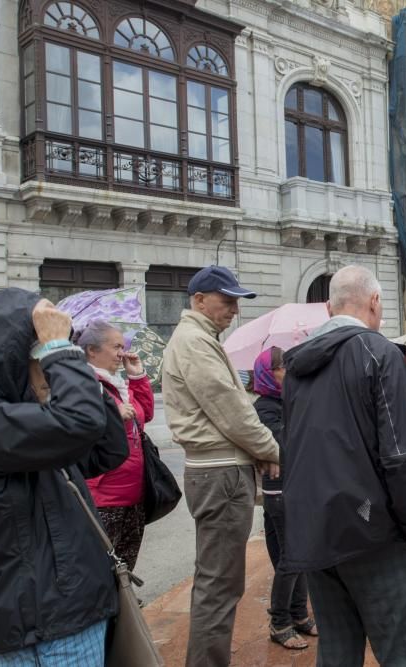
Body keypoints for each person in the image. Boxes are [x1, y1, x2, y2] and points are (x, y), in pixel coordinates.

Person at [0, 290, 128, 664]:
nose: (49, 368)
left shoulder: (30, 413)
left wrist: (82, 370)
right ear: (15, 357)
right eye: (43, 354)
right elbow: (80, 424)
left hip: (68, 607)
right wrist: (61, 355)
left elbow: (107, 451)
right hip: (46, 619)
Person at [280, 265, 406, 666]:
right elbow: (402, 456)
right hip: (377, 535)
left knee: (337, 651)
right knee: (405, 654)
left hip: (319, 532)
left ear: (330, 309)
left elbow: (292, 448)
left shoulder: (296, 368)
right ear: (375, 301)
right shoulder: (380, 352)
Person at [161, 265, 281, 667]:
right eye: (226, 300)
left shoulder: (199, 338)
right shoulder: (195, 341)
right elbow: (231, 411)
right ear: (199, 300)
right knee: (219, 584)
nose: (233, 309)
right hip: (219, 473)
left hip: (219, 470)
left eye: (235, 301)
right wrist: (271, 449)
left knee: (218, 582)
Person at [249, 347, 316, 650]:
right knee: (292, 557)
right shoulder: (266, 407)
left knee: (292, 557)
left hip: (291, 487)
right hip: (280, 491)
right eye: (281, 368)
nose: (287, 372)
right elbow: (282, 445)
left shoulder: (285, 401)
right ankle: (279, 622)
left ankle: (299, 614)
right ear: (268, 373)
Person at [78, 320, 154, 570]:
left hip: (133, 492)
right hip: (104, 495)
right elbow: (75, 425)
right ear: (92, 350)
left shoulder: (117, 383)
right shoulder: (80, 382)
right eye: (116, 347)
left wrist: (136, 376)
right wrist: (110, 412)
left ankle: (123, 608)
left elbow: (145, 415)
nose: (123, 353)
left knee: (124, 567)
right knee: (99, 567)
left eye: (123, 346)